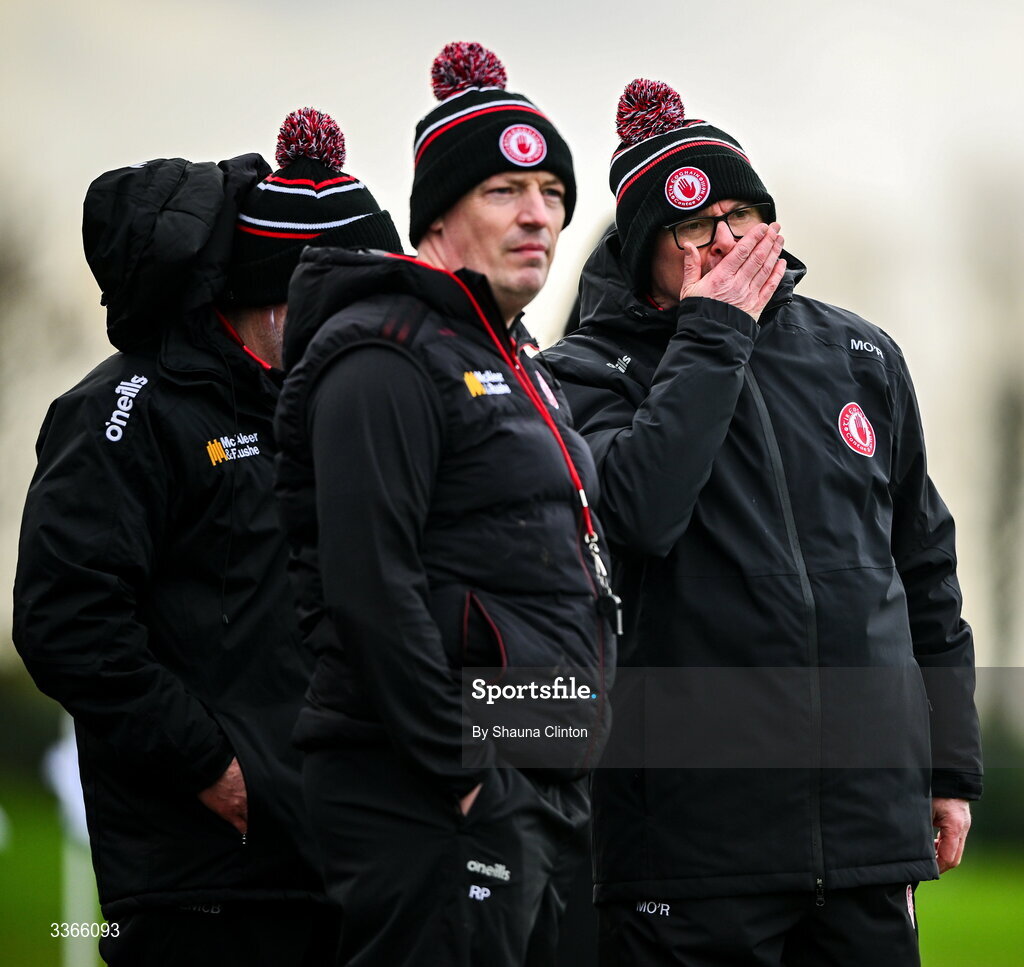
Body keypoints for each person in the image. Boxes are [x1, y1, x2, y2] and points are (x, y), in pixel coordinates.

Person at [543, 78, 982, 966]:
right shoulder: (582, 372)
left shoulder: (859, 354)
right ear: (643, 254)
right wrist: (713, 337)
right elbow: (637, 516)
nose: (731, 239)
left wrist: (949, 768)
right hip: (691, 851)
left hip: (864, 841)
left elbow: (924, 570)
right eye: (696, 226)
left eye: (745, 213)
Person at [13, 107, 401, 966]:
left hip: (340, 871)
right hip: (203, 884)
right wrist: (215, 768)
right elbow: (65, 621)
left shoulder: (316, 411)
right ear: (292, 287)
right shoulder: (120, 414)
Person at [273, 42, 616, 967]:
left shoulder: (514, 358)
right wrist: (465, 774)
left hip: (529, 780)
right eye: (504, 192)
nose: (538, 216)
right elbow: (367, 585)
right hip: (436, 790)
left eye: (553, 194)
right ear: (439, 212)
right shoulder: (382, 353)